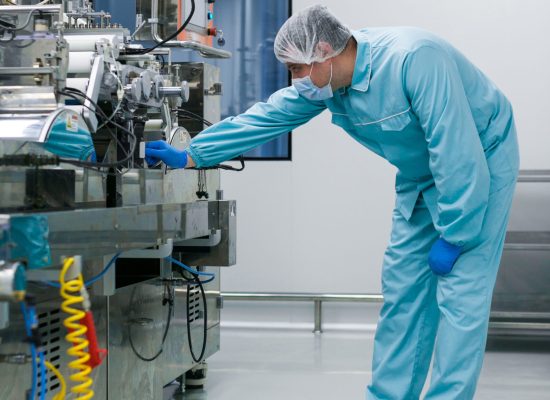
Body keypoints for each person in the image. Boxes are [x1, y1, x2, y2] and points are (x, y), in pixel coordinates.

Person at [145, 4, 520, 399]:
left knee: (460, 296)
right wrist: (193, 153)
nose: (294, 80)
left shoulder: (414, 59)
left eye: (295, 69)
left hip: (481, 161)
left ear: (324, 49)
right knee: (403, 293)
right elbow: (265, 117)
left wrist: (457, 233)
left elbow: (457, 152)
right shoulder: (329, 84)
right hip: (421, 175)